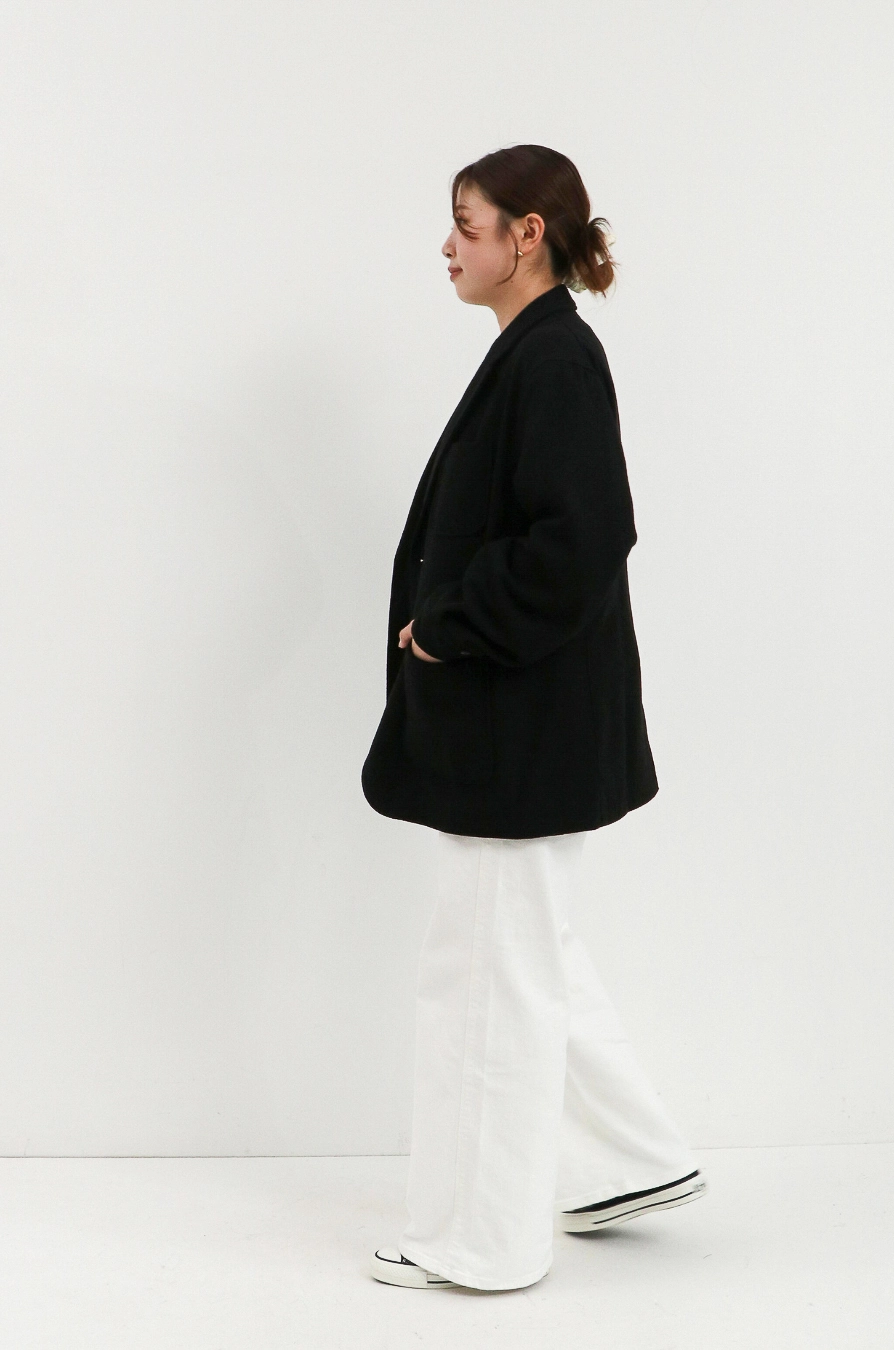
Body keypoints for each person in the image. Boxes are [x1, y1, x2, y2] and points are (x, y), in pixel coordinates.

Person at [361, 144, 705, 1292]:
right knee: (525, 949)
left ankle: (486, 1242)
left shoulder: (554, 357)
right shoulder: (539, 349)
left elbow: (582, 540)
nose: (446, 246)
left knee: (487, 979)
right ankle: (630, 1160)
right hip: (524, 726)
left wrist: (447, 625)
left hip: (518, 729)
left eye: (466, 226)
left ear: (527, 236)